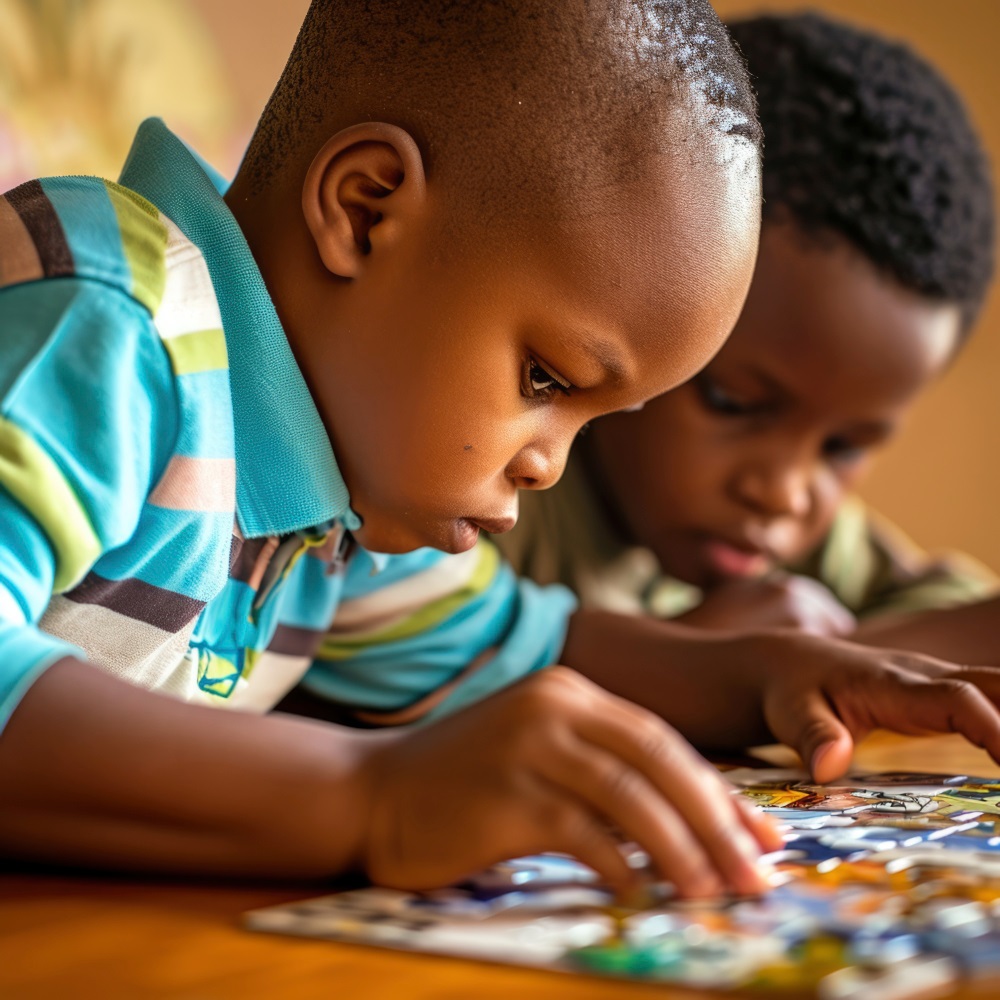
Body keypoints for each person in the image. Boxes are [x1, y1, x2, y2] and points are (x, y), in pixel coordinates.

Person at [1, 1, 999, 902]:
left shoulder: (340, 503)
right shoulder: (109, 317)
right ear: (364, 207)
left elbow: (521, 646)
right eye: (546, 383)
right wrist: (374, 799)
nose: (548, 464)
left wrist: (765, 672)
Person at [495, 11, 998, 649]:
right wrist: (705, 672)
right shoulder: (495, 489)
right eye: (732, 403)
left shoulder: (785, 535)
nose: (784, 492)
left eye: (842, 448)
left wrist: (826, 661)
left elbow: (965, 616)